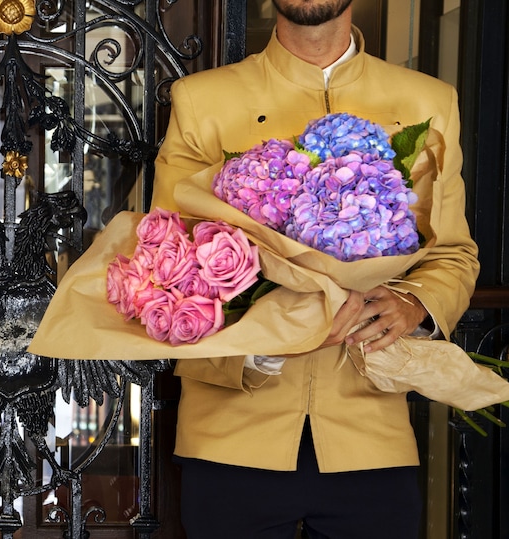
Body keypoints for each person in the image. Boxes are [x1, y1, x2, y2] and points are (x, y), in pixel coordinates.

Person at [152, 1, 479, 537]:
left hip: (371, 431)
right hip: (231, 433)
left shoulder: (429, 101)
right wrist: (264, 337)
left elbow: (453, 252)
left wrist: (417, 302)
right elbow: (171, 261)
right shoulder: (200, 99)